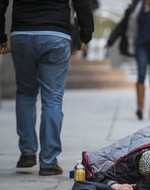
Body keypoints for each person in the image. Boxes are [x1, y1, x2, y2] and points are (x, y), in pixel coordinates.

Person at [0, 0, 94, 175]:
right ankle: (48, 161)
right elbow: (82, 3)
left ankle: (27, 153)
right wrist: (85, 35)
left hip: (22, 34)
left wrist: (1, 36)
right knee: (52, 98)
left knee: (25, 93)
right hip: (55, 34)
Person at [105, 0, 150, 120]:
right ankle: (140, 108)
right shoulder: (134, 6)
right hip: (140, 46)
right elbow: (123, 25)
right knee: (141, 74)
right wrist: (110, 41)